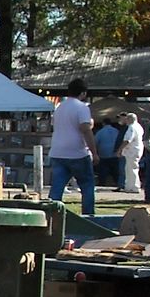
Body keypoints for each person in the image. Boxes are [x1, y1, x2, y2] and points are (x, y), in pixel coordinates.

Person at [48, 79, 99, 215]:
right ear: (83, 93)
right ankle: (88, 215)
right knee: (87, 185)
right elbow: (85, 129)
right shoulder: (82, 108)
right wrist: (94, 152)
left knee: (57, 187)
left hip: (57, 151)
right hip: (77, 152)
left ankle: (52, 215)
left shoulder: (59, 108)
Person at [119, 112, 143, 194]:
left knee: (131, 169)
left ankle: (134, 187)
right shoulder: (139, 127)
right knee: (131, 168)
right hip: (137, 150)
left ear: (130, 119)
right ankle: (130, 186)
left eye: (127, 119)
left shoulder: (132, 127)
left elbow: (127, 140)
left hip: (132, 151)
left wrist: (120, 149)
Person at [94, 117, 121, 188]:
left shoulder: (100, 132)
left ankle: (102, 182)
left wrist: (95, 152)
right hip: (115, 154)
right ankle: (117, 182)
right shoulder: (116, 131)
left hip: (104, 154)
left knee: (103, 170)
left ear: (103, 123)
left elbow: (95, 142)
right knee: (115, 170)